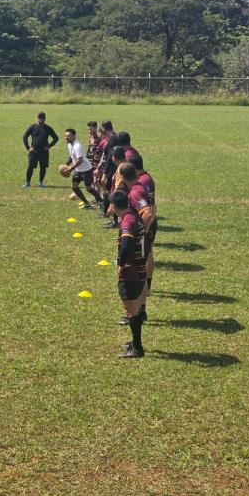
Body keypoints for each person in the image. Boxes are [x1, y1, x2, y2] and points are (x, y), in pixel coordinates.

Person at [108, 189, 148, 359]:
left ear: (115, 206)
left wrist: (121, 264)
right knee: (135, 309)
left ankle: (137, 348)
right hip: (139, 268)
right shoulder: (134, 215)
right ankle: (134, 343)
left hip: (130, 272)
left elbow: (126, 244)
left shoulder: (127, 222)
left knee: (131, 309)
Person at [126, 157, 158, 322]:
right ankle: (140, 307)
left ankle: (139, 309)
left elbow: (147, 211)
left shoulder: (139, 187)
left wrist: (141, 231)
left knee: (139, 270)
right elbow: (153, 207)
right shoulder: (147, 179)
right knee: (144, 264)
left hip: (144, 229)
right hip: (148, 227)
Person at [64, 128, 103, 209]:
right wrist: (66, 164)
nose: (66, 137)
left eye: (68, 136)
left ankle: (101, 202)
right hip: (78, 170)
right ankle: (86, 203)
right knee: (74, 187)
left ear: (74, 136)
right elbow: (72, 156)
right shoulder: (69, 145)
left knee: (88, 188)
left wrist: (71, 168)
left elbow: (80, 160)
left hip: (86, 170)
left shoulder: (77, 146)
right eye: (66, 136)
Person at [22, 112, 59, 188]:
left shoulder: (48, 128)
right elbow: (24, 137)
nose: (41, 119)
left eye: (42, 118)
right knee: (30, 167)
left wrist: (49, 146)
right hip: (33, 151)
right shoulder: (32, 127)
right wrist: (28, 148)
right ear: (37, 118)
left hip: (44, 152)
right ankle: (27, 182)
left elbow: (56, 138)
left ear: (45, 118)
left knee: (43, 167)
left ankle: (40, 182)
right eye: (40, 117)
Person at [98, 120, 119, 219]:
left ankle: (115, 219)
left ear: (103, 128)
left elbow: (111, 158)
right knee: (107, 191)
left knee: (112, 194)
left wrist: (105, 174)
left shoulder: (112, 139)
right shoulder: (113, 137)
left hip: (111, 170)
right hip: (111, 169)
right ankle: (106, 212)